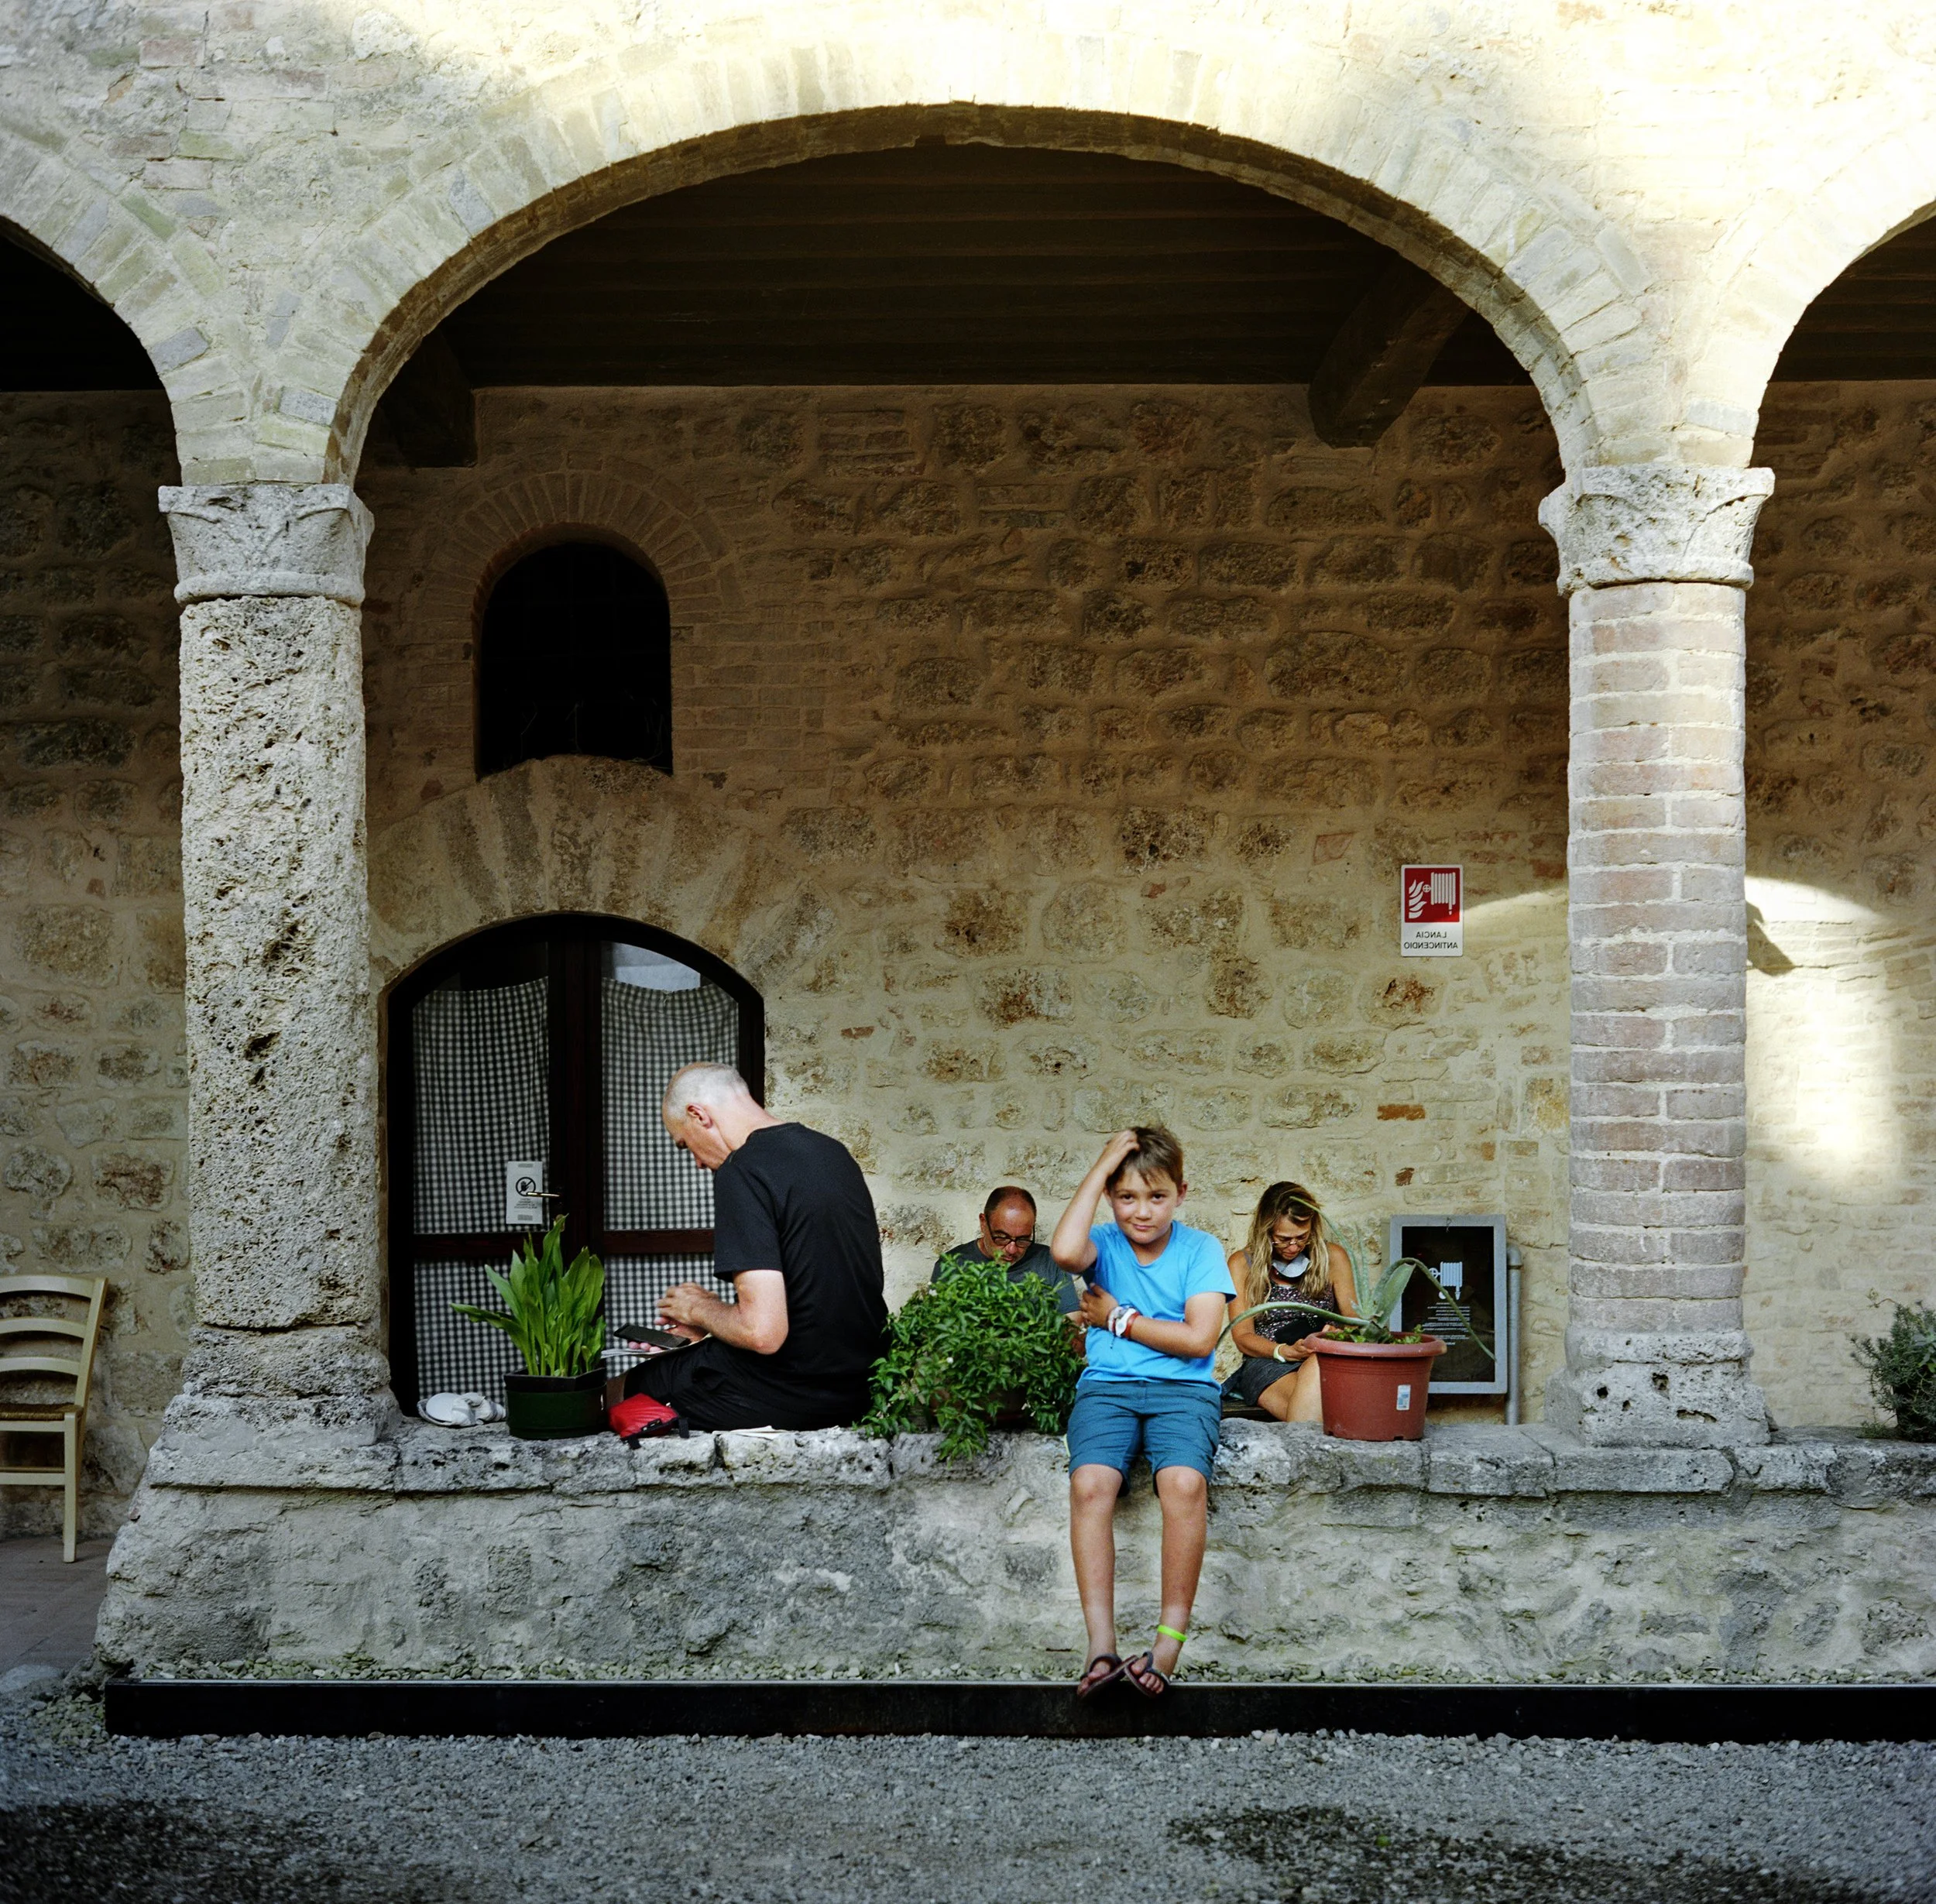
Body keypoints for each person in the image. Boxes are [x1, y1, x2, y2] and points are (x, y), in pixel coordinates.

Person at [1050, 1126, 1234, 1700]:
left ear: (1181, 1192)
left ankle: (1168, 1641)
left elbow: (1200, 1339)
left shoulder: (1199, 1248)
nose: (1142, 1212)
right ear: (1110, 1196)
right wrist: (1104, 1160)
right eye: (1126, 1196)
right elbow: (1061, 1250)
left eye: (1156, 1197)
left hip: (1185, 1392)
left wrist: (1118, 1319)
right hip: (1109, 1387)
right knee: (1090, 1484)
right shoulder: (1101, 1242)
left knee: (1182, 1484)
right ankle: (1100, 1644)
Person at [622, 1062, 887, 1431]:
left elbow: (762, 1333)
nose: (697, 1163)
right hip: (860, 1387)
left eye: (685, 1147)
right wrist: (712, 1320)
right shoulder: (833, 1153)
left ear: (699, 1115)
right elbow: (816, 1301)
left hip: (787, 1393)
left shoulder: (742, 1169)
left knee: (621, 1396)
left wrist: (698, 1308)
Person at [1222, 1180, 1359, 1424]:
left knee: (1317, 1377)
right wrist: (1283, 1351)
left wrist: (1335, 1335)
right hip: (1269, 1360)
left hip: (1323, 1356)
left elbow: (1354, 1320)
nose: (1294, 1246)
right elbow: (1243, 1336)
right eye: (1283, 1239)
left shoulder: (1333, 1257)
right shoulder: (1242, 1264)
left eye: (1302, 1237)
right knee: (1325, 1414)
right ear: (1266, 1232)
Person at [931, 1185, 1080, 1316]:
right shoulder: (951, 1266)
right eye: (1001, 1238)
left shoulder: (1050, 1262)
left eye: (1023, 1239)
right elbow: (935, 1330)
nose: (1012, 1249)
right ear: (983, 1223)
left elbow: (1073, 1326)